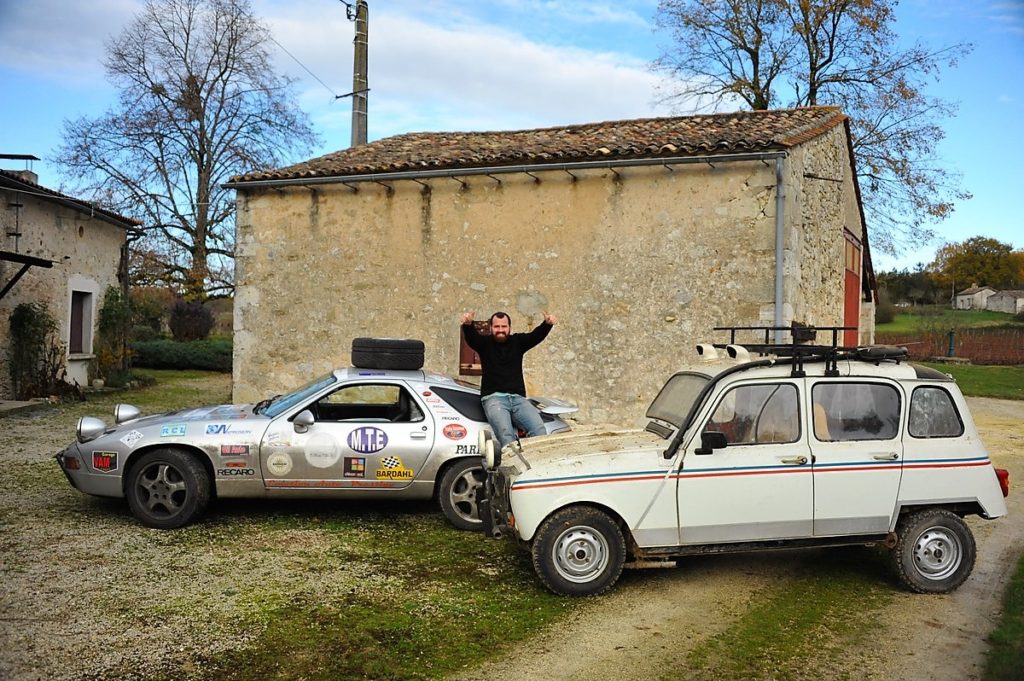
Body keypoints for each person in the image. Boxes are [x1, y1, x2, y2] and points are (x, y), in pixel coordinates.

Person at [461, 309, 557, 452]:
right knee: (506, 435)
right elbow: (472, 338)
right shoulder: (484, 344)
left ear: (509, 328)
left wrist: (547, 324)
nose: (501, 330)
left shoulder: (517, 342)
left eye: (504, 327)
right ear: (491, 328)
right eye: (497, 327)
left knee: (539, 430)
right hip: (494, 399)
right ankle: (513, 468)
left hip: (518, 399)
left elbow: (535, 336)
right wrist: (468, 325)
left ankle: (533, 465)